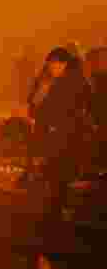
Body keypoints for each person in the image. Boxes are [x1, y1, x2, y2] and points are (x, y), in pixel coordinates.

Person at [27, 47, 91, 227]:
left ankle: (57, 215)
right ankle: (56, 212)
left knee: (59, 175)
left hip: (65, 137)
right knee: (56, 177)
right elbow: (35, 105)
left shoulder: (71, 82)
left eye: (52, 65)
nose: (50, 69)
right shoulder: (54, 81)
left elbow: (53, 109)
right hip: (58, 136)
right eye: (48, 66)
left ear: (62, 64)